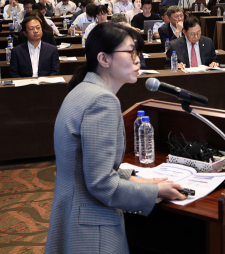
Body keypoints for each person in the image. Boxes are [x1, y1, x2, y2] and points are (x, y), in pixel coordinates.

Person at [46, 23, 185, 254]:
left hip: (71, 214)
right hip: (92, 227)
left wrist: (144, 181)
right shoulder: (102, 101)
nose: (137, 59)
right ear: (104, 59)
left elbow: (86, 169)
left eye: (138, 53)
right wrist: (155, 192)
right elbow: (101, 184)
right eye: (130, 52)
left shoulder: (81, 90)